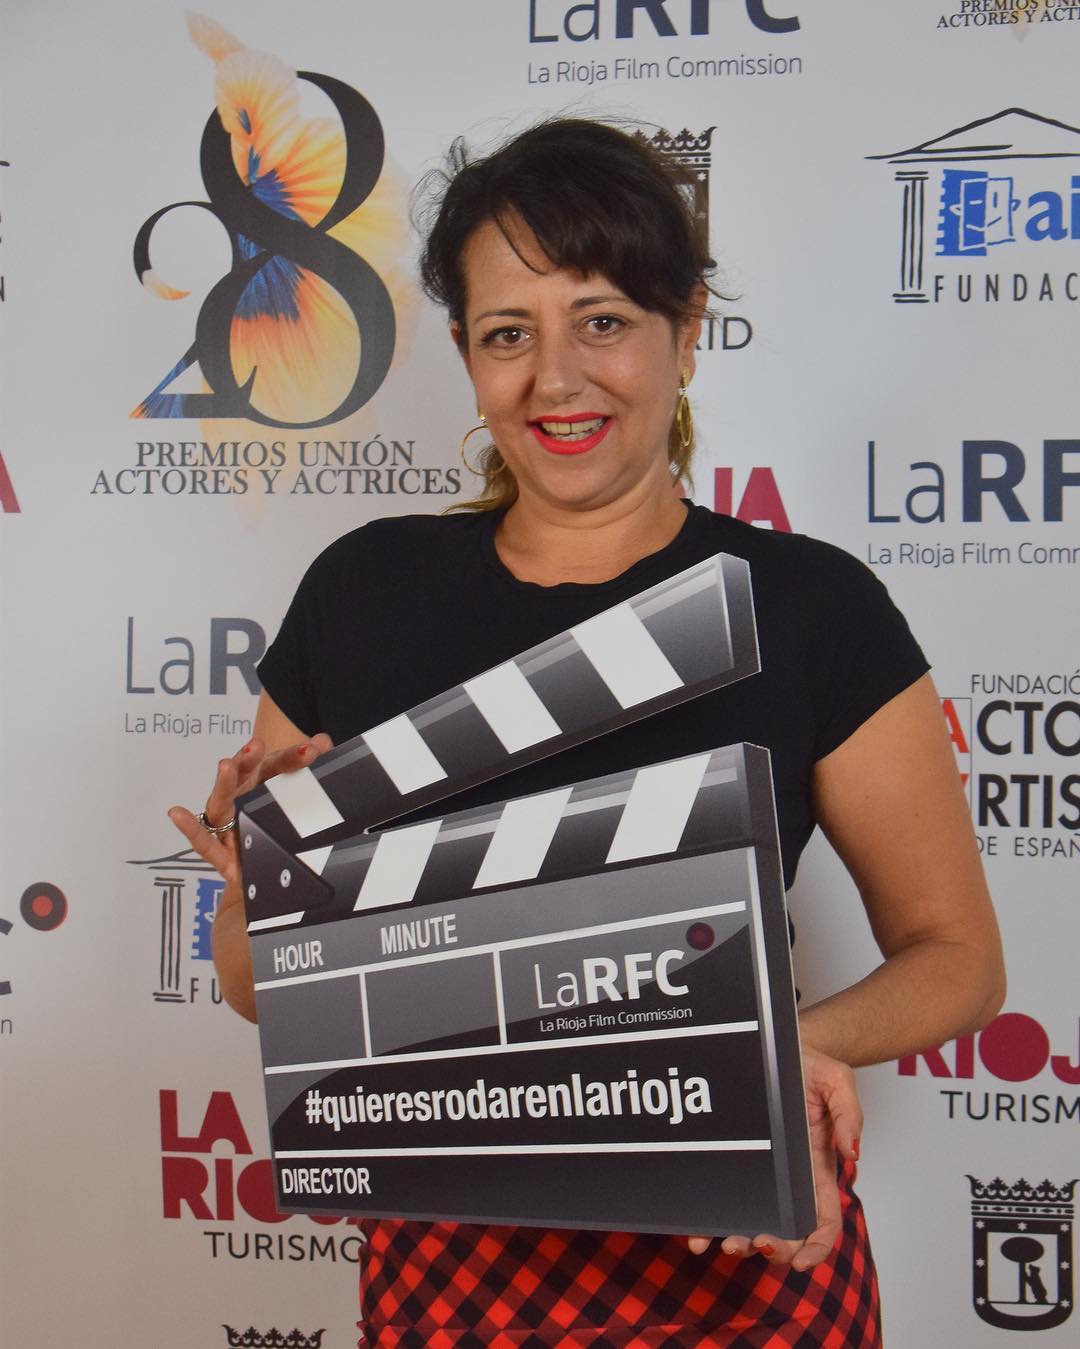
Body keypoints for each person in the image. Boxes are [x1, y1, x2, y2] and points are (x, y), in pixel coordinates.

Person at [170, 118, 1005, 1346]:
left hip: (738, 1246)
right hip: (458, 1251)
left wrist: (773, 1051)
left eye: (602, 320)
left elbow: (959, 958)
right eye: (509, 333)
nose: (556, 378)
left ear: (688, 326)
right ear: (467, 354)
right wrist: (261, 899)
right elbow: (258, 990)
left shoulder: (809, 603)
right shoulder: (365, 592)